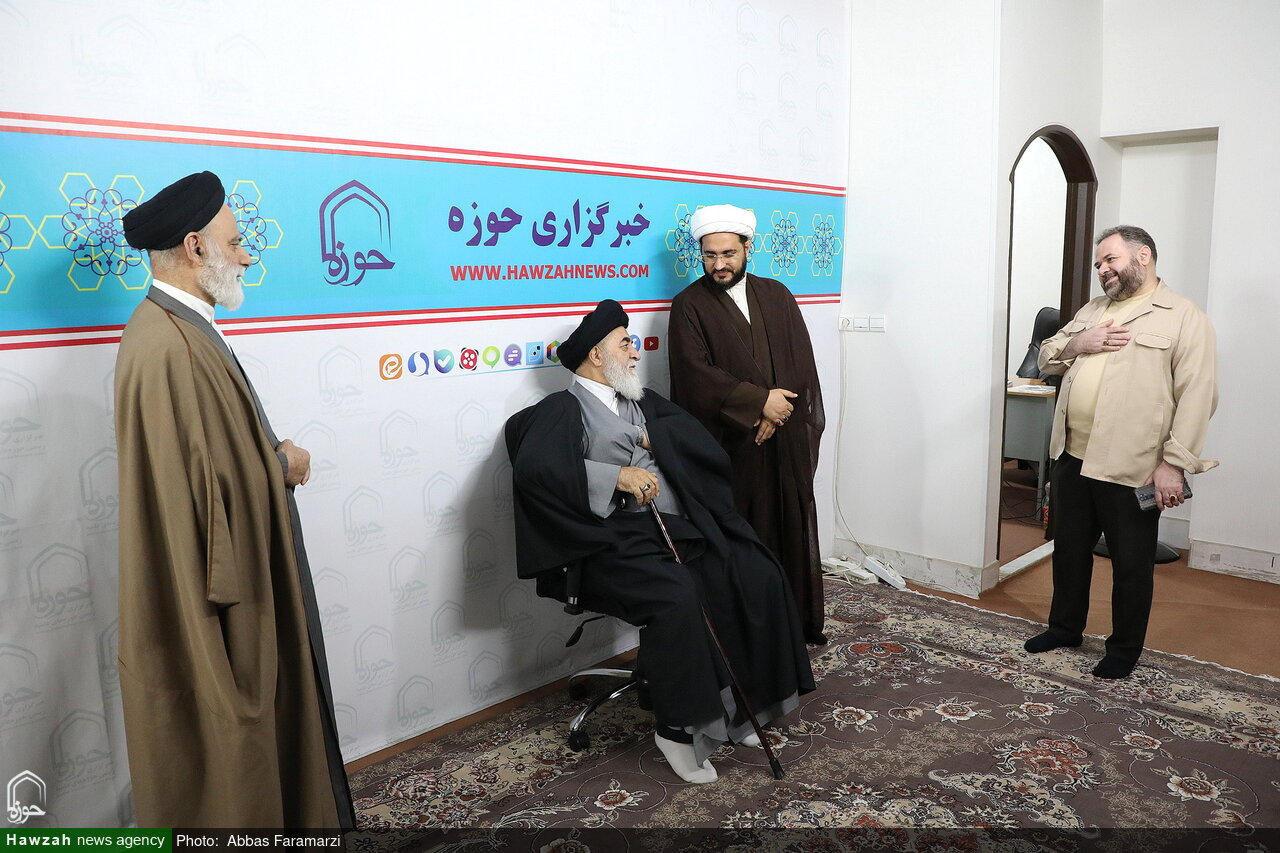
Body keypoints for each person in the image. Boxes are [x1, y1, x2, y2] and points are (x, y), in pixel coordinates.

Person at [114, 171, 354, 827]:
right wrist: (279, 463)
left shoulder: (180, 327)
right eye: (237, 242)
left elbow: (209, 461)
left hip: (232, 570)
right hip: (216, 596)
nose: (247, 256)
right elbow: (190, 495)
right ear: (195, 247)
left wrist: (263, 458)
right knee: (234, 735)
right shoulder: (165, 344)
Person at [506, 300, 815, 784]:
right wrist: (615, 476)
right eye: (625, 343)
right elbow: (538, 472)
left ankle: (744, 709)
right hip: (607, 543)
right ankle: (677, 730)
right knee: (678, 596)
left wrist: (658, 441)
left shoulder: (643, 399)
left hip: (676, 529)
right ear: (595, 356)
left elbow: (696, 443)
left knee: (753, 571)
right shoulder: (562, 409)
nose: (635, 351)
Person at [1024, 225, 1217, 679]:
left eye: (1110, 259)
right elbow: (1047, 355)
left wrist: (1173, 465)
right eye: (1098, 264)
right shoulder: (1093, 310)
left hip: (1134, 465)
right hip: (1072, 456)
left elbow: (1198, 395)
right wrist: (1079, 343)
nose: (1102, 270)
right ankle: (1064, 628)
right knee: (1069, 551)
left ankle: (1124, 649)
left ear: (1143, 256)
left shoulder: (1184, 317)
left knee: (1131, 564)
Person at [667, 204, 827, 644]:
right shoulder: (688, 306)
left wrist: (778, 410)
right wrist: (759, 405)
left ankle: (791, 625)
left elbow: (800, 362)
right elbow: (694, 375)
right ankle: (745, 635)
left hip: (782, 442)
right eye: (709, 255)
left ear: (747, 248)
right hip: (733, 446)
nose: (718, 264)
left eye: (728, 254)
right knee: (743, 537)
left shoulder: (777, 295)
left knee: (789, 529)